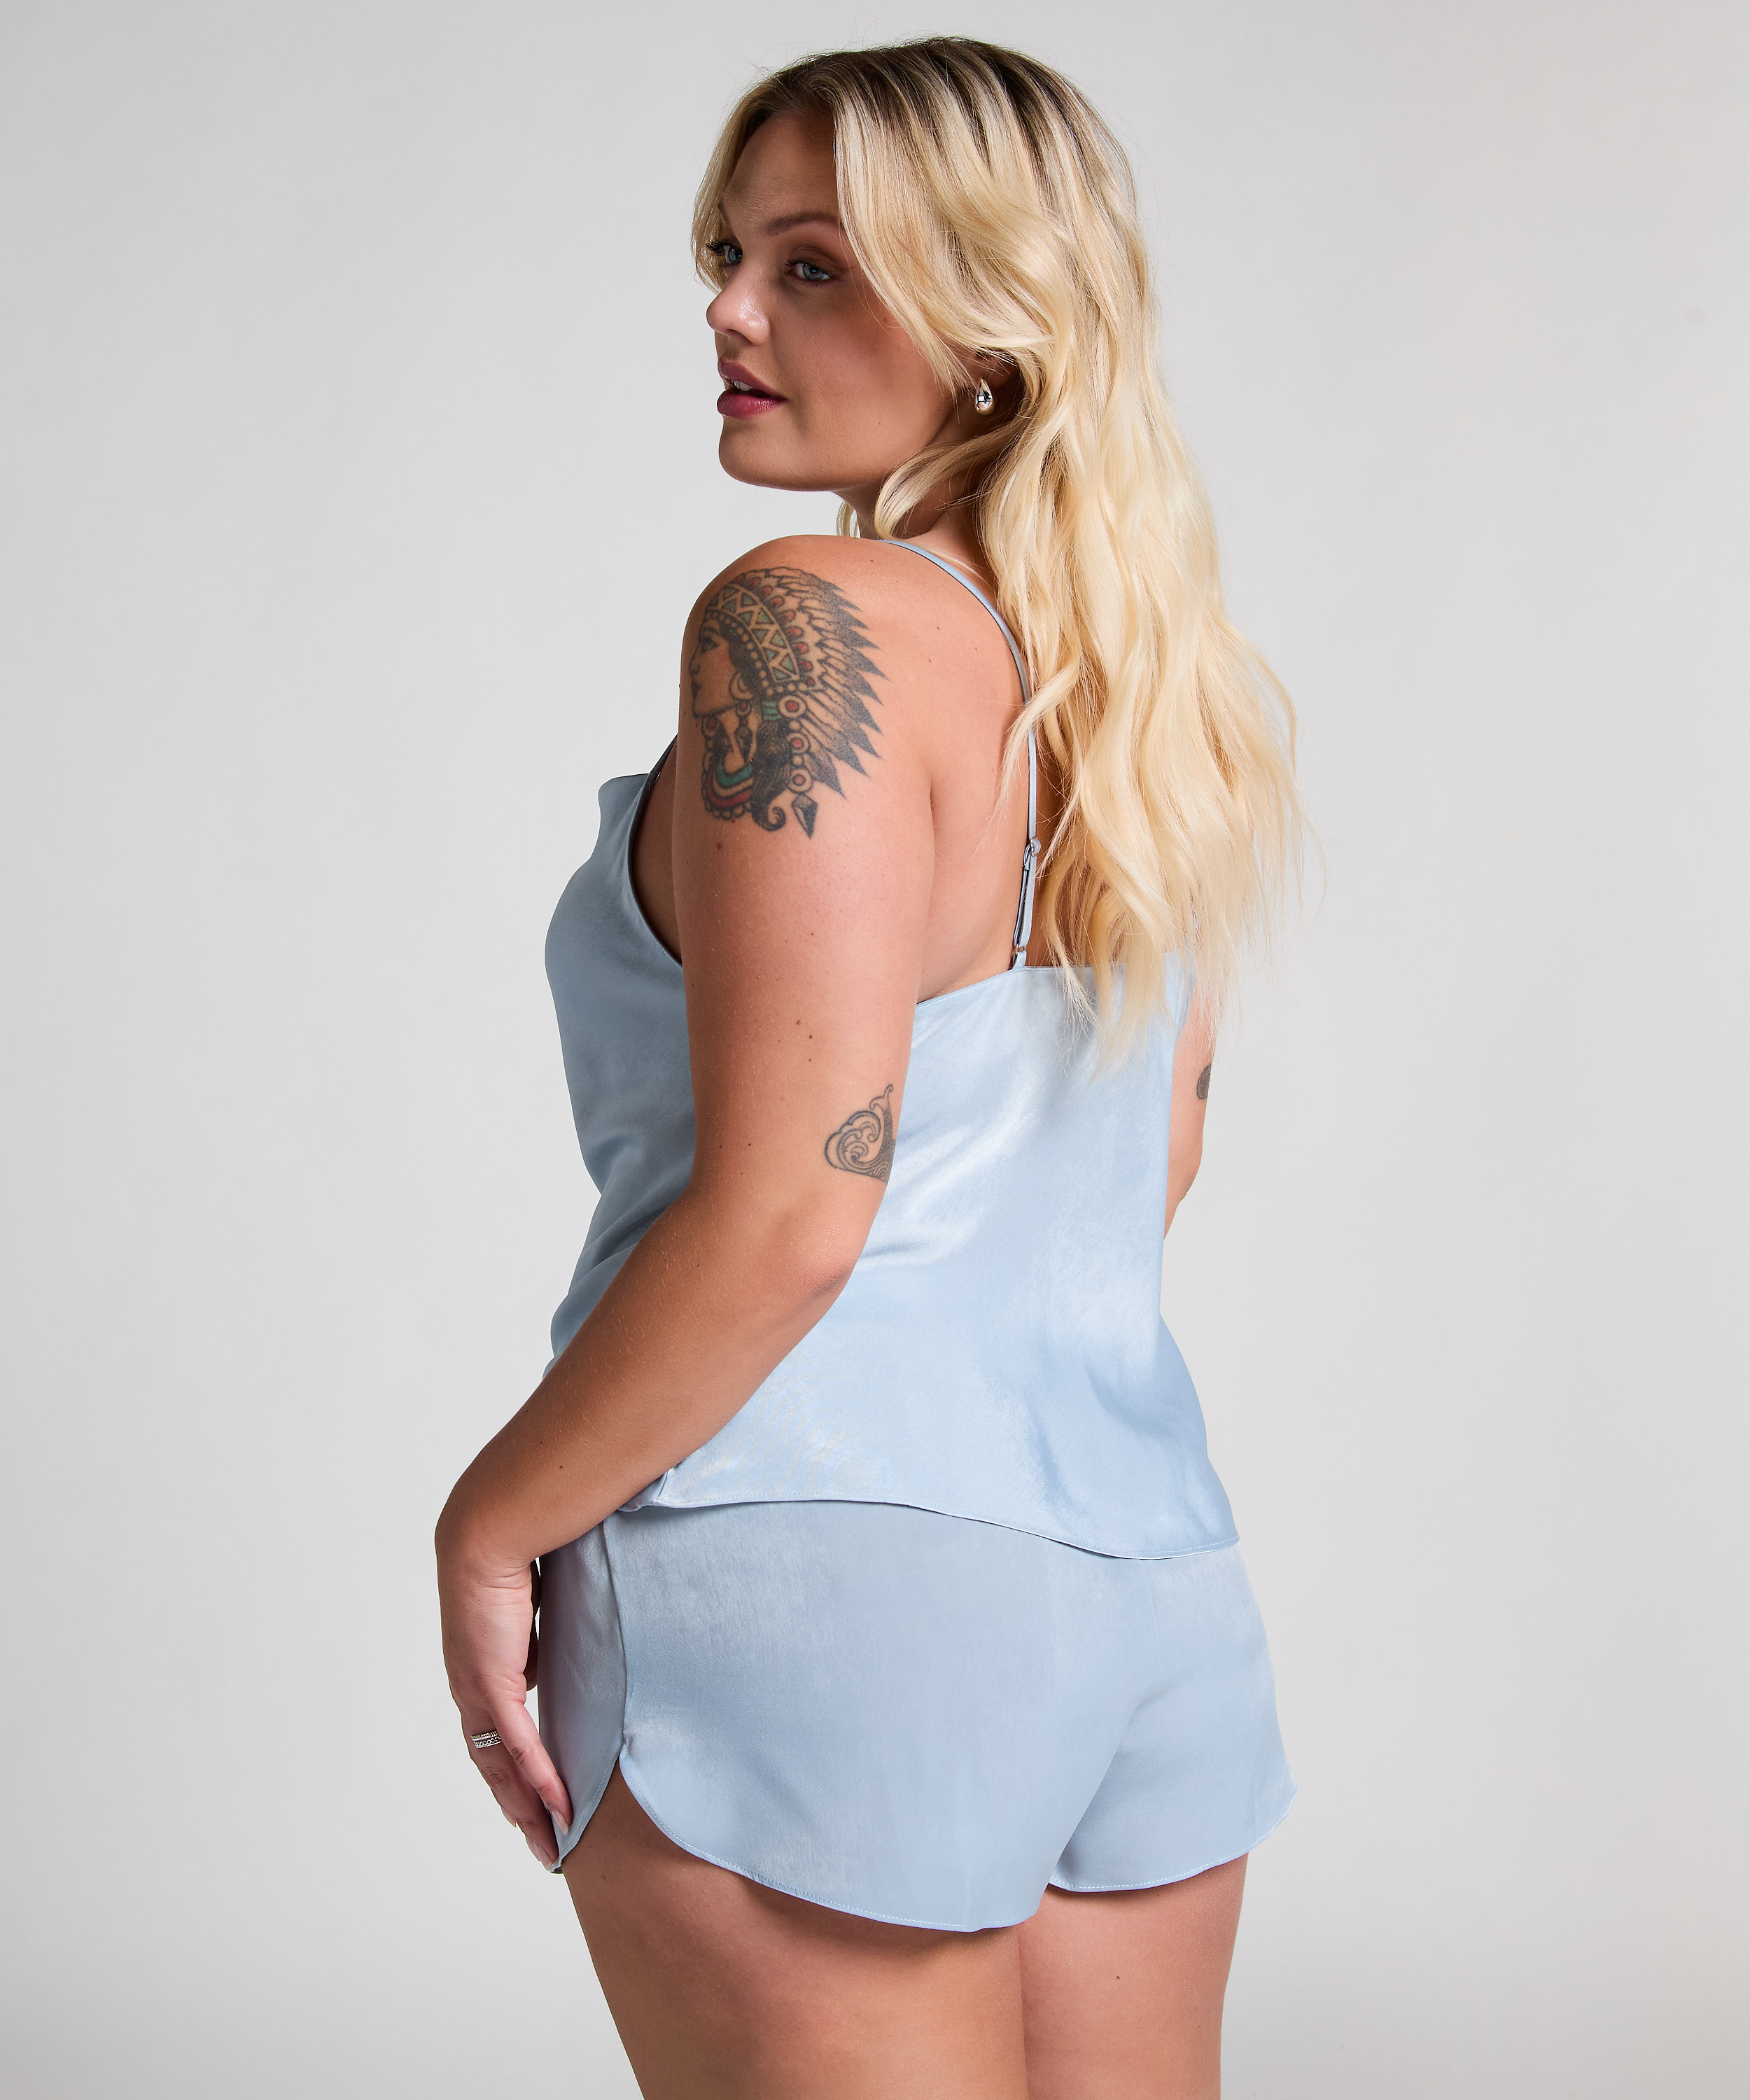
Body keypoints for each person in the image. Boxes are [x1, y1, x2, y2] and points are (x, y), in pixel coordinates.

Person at [437, 36, 1304, 2099]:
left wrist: (488, 1525)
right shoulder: (1142, 699)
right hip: (1143, 1588)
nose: (730, 311)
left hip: (807, 1572)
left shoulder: (802, 622)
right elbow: (1148, 1169)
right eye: (729, 255)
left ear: (996, 326)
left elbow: (798, 1210)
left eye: (811, 265)